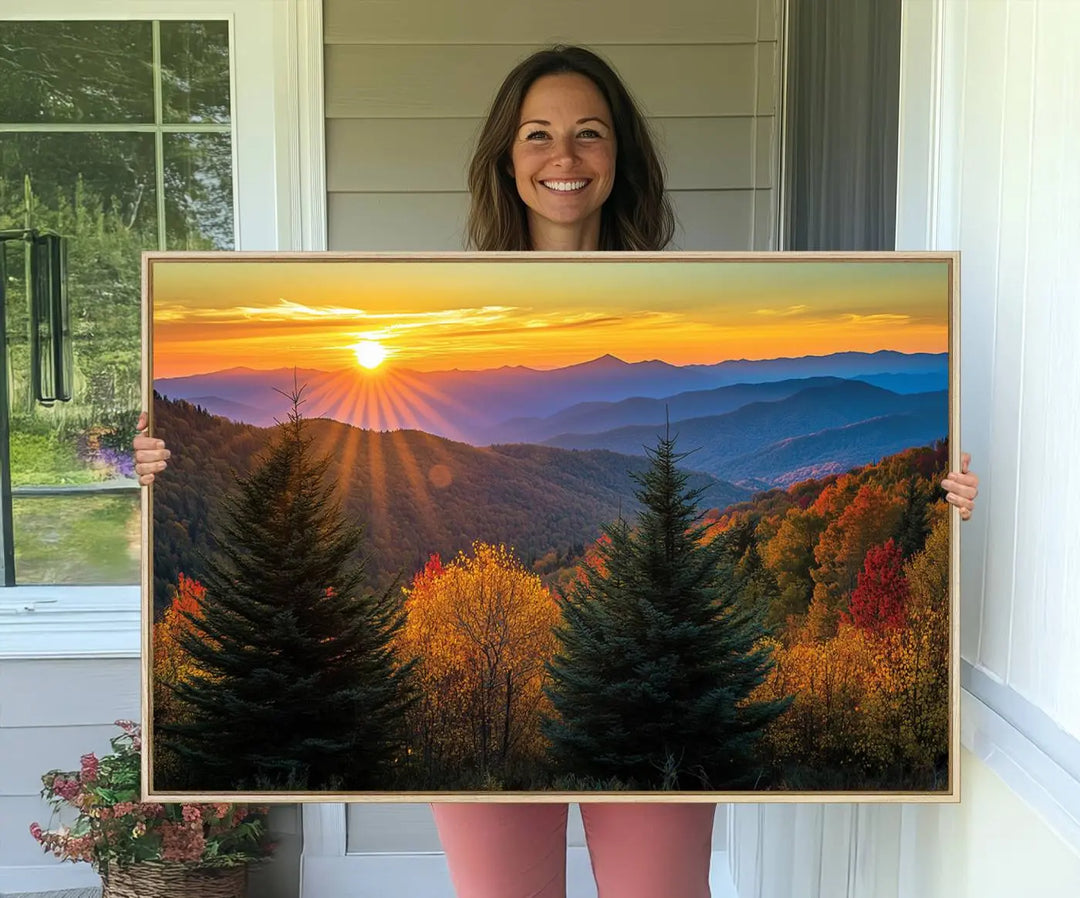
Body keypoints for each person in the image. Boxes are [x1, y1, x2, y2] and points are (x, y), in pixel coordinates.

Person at [134, 45, 980, 898]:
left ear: (621, 157)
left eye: (589, 134)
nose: (564, 157)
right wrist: (163, 463)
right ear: (507, 157)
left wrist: (932, 489)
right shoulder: (434, 307)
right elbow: (287, 471)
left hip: (643, 674)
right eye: (538, 134)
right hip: (474, 660)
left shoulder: (685, 298)